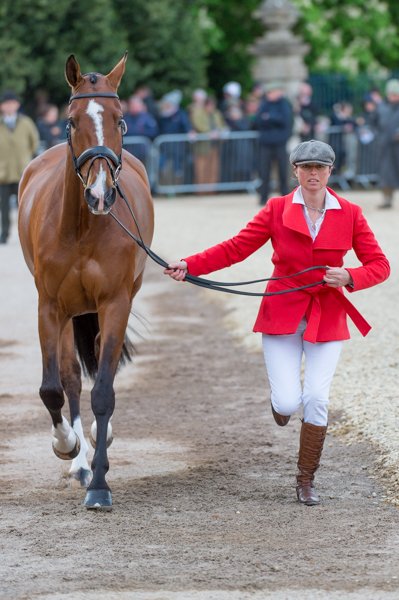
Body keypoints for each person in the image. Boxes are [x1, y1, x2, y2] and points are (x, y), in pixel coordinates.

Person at [163, 139, 390, 506]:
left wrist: (349, 276)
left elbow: (380, 265)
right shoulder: (276, 208)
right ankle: (281, 406)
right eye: (306, 167)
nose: (313, 174)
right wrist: (190, 265)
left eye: (320, 167)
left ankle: (305, 480)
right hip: (281, 312)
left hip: (326, 315)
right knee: (287, 403)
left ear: (331, 171)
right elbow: (236, 247)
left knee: (317, 397)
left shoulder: (350, 213)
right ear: (295, 170)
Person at [0, 91, 39, 244]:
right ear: (2, 106)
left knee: (24, 207)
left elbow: (34, 142)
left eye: (12, 103)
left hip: (23, 171)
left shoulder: (26, 122)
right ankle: (4, 234)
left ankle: (25, 235)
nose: (9, 107)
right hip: (3, 172)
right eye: (6, 104)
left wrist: (25, 157)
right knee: (4, 207)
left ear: (17, 105)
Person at [255, 81, 292, 205]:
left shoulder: (284, 104)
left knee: (283, 171)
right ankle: (263, 197)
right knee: (264, 172)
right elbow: (259, 121)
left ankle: (286, 197)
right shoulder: (264, 104)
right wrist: (273, 118)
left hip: (280, 143)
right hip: (265, 143)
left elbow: (284, 121)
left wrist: (269, 117)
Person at [371, 79, 399, 208]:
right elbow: (373, 123)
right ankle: (387, 199)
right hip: (385, 146)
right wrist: (378, 136)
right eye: (393, 94)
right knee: (386, 173)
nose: (395, 97)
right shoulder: (381, 106)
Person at [190, 96, 226, 192]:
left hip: (214, 146)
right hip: (202, 147)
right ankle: (201, 191)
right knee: (201, 170)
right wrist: (209, 132)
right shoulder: (197, 113)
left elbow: (221, 124)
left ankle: (211, 190)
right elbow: (198, 125)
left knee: (213, 169)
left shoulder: (216, 113)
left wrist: (219, 131)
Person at [123, 95, 158, 164]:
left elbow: (154, 132)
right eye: (132, 104)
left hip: (143, 152)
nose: (133, 106)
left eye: (135, 104)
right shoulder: (126, 118)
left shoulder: (147, 117)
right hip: (128, 152)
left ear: (141, 105)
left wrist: (141, 132)